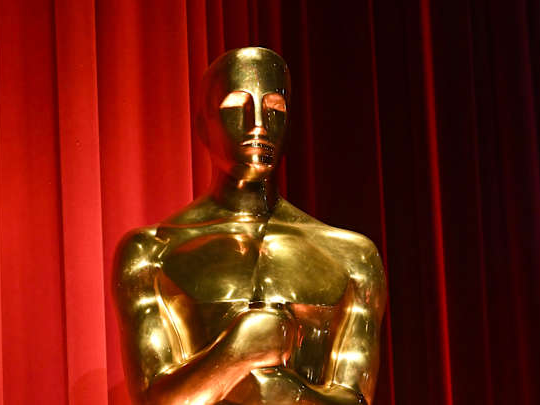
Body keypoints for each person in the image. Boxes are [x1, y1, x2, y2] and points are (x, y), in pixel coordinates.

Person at [113, 47, 388, 405]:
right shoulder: (152, 253)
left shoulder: (352, 256)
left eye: (275, 107)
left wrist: (286, 392)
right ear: (203, 125)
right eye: (235, 105)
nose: (258, 123)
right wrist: (237, 352)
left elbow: (356, 398)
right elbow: (153, 400)